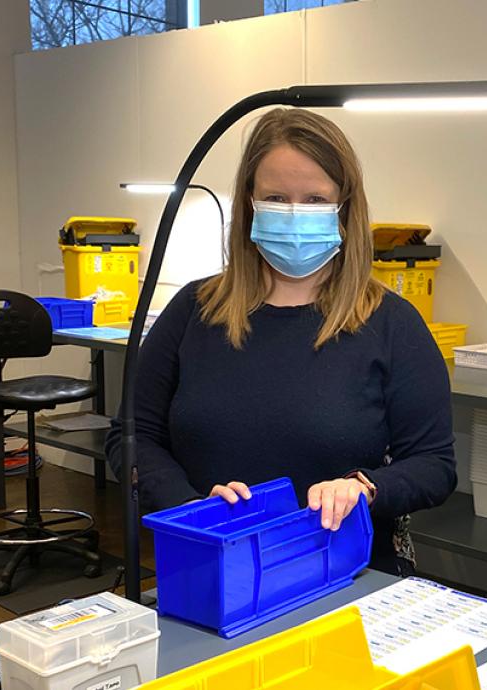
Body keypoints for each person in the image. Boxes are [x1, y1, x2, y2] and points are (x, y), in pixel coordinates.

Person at [106, 108, 457, 576]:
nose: (295, 213)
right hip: (212, 574)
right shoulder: (193, 311)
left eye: (314, 199)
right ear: (249, 204)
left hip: (344, 576)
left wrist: (365, 487)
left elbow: (434, 465)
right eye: (276, 197)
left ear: (345, 208)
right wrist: (191, 509)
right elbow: (131, 439)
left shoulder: (391, 324)